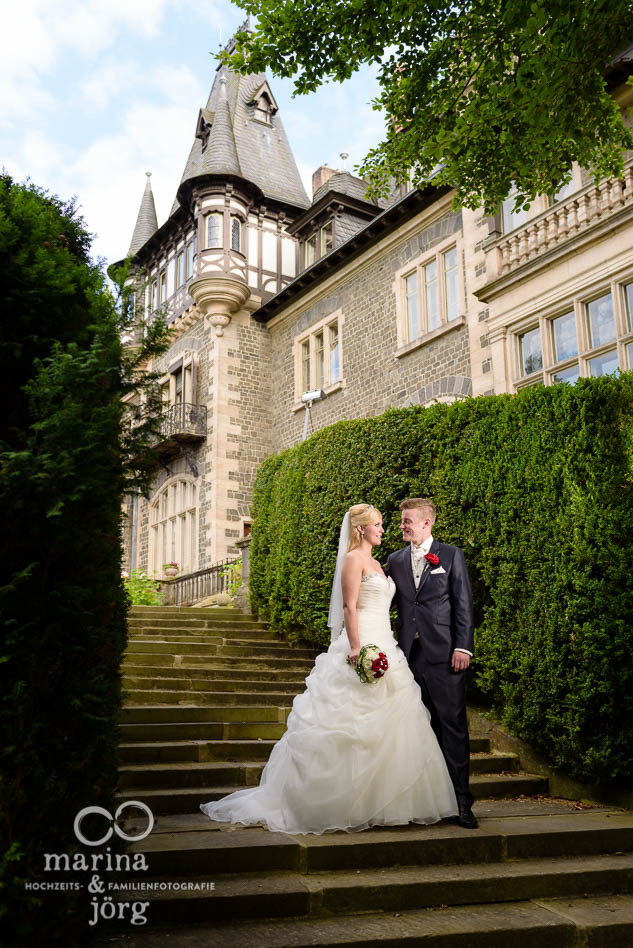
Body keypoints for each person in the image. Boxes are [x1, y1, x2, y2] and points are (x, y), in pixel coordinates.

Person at [199, 503, 458, 834]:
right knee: (350, 725)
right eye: (377, 525)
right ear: (361, 528)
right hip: (362, 641)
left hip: (387, 644)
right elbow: (350, 606)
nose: (383, 529)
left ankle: (386, 804)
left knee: (395, 722)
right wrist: (356, 648)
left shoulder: (381, 563)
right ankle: (341, 803)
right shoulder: (352, 560)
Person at [384, 498, 477, 829]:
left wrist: (463, 647)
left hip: (445, 656)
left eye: (408, 521)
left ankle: (463, 803)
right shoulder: (394, 560)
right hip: (407, 658)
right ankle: (424, 802)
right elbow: (379, 598)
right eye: (402, 521)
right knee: (415, 730)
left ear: (427, 523)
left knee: (452, 728)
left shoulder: (450, 556)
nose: (402, 526)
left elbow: (462, 604)